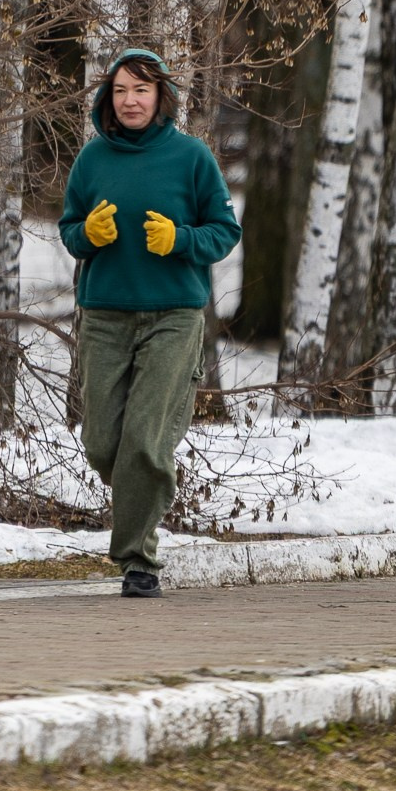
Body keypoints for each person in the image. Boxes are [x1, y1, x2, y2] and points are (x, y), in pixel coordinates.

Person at [58, 48, 242, 597]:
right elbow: (69, 231)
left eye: (141, 90)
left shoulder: (191, 158)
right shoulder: (92, 160)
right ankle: (148, 482)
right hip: (105, 317)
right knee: (100, 443)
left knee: (144, 438)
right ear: (106, 99)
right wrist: (88, 233)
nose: (130, 100)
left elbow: (224, 232)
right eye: (120, 91)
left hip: (173, 316)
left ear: (161, 96)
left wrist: (181, 241)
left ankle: (138, 561)